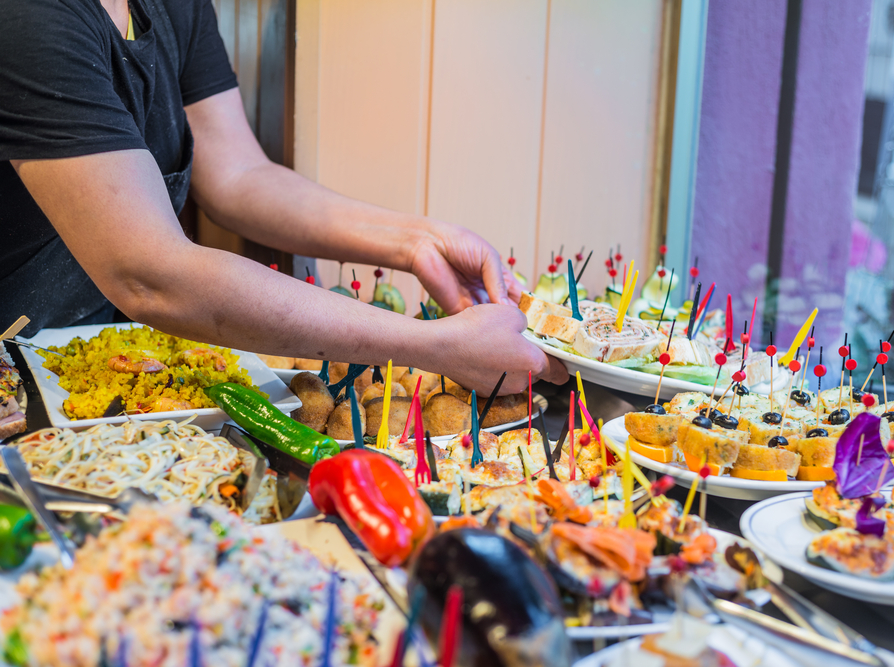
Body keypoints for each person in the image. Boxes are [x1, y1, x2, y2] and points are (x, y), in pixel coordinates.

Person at [0, 0, 567, 395]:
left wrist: (417, 241)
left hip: (88, 362)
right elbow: (151, 273)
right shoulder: (29, 17)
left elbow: (239, 175)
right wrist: (433, 345)